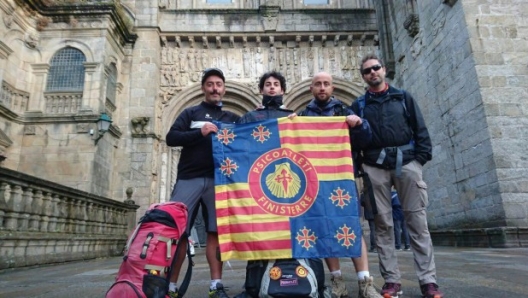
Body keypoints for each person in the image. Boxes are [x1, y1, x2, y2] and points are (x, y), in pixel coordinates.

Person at [351, 53, 443, 298]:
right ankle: (391, 280)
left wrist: (420, 160)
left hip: (407, 163)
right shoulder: (359, 105)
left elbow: (419, 127)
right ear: (363, 76)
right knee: (382, 225)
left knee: (417, 223)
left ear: (384, 69)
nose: (373, 73)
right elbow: (352, 139)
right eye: (367, 70)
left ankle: (428, 281)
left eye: (376, 68)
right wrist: (361, 166)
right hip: (375, 167)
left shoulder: (403, 97)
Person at [299, 72, 382, 298]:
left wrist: (359, 124)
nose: (322, 88)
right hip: (315, 181)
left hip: (343, 178)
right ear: (311, 89)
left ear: (332, 88)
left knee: (352, 226)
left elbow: (366, 139)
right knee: (323, 229)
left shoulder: (345, 111)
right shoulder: (303, 115)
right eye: (317, 84)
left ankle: (365, 282)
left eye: (326, 84)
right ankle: (337, 281)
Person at [166, 68, 240, 298]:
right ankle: (170, 286)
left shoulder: (232, 118)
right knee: (177, 232)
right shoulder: (190, 113)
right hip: (189, 178)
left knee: (215, 233)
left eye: (218, 84)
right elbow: (171, 138)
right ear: (203, 88)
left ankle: (215, 284)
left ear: (224, 88)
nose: (215, 88)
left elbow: (253, 136)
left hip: (219, 181)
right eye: (210, 84)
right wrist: (200, 133)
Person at [360, 178, 377, 253]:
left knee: (372, 229)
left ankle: (373, 246)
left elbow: (362, 203)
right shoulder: (374, 192)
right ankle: (375, 245)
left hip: (368, 213)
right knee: (376, 230)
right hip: (375, 212)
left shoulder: (364, 193)